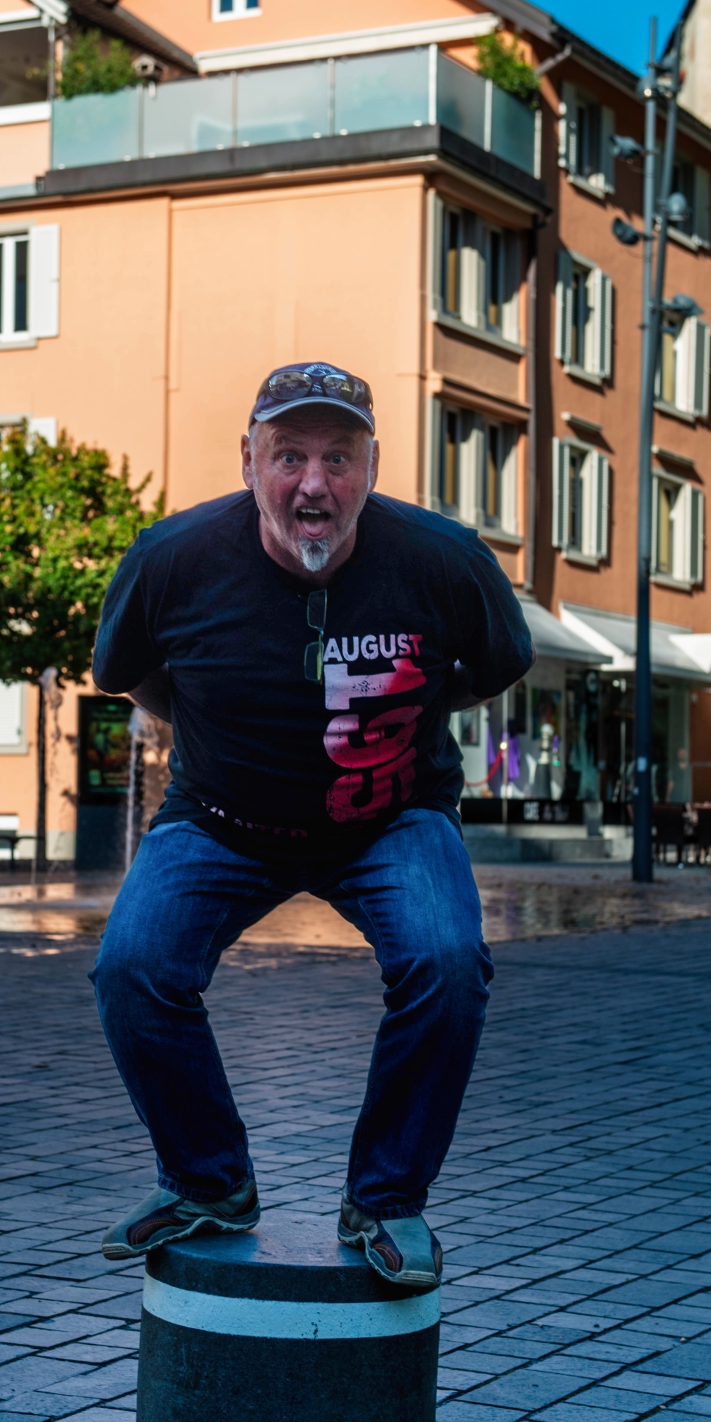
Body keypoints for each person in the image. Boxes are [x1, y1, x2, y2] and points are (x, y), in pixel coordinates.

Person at [90, 361, 534, 1287]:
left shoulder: (444, 559)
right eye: (288, 455)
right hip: (220, 818)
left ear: (373, 468)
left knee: (448, 964)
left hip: (391, 817)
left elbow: (496, 666)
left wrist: (407, 714)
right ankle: (208, 1182)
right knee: (133, 966)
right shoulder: (171, 560)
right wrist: (213, 727)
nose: (313, 483)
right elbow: (126, 675)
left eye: (339, 457)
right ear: (248, 462)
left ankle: (386, 1200)